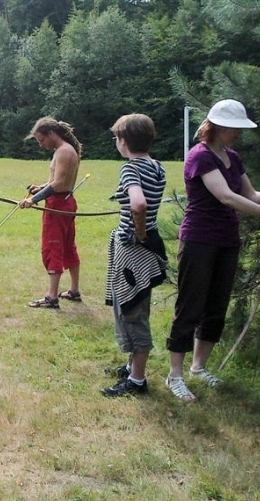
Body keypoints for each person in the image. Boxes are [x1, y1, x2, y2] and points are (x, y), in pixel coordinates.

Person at [164, 99, 260, 401]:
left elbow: (250, 194)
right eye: (236, 128)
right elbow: (227, 197)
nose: (240, 133)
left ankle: (198, 367)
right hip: (199, 240)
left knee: (216, 306)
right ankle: (175, 375)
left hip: (227, 241)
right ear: (219, 126)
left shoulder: (232, 157)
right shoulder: (200, 156)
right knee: (190, 306)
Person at [100, 114, 168, 397]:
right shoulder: (157, 167)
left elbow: (138, 204)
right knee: (138, 306)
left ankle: (137, 381)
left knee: (131, 311)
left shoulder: (130, 169)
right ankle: (131, 367)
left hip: (134, 251)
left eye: (116, 138)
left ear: (123, 141)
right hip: (148, 249)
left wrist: (138, 232)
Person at [19, 117, 83, 309]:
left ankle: (51, 297)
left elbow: (59, 184)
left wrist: (33, 200)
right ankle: (74, 290)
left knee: (53, 246)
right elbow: (57, 181)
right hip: (65, 202)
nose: (41, 144)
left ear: (51, 134)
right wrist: (40, 188)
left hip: (58, 205)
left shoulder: (63, 151)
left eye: (42, 140)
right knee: (68, 245)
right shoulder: (65, 150)